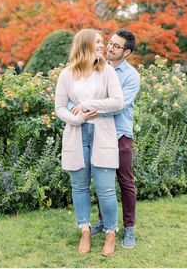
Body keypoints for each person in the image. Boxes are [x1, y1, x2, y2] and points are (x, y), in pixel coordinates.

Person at [55, 28, 124, 256]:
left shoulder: (107, 71)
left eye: (101, 42)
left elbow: (117, 102)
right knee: (80, 186)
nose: (102, 46)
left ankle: (110, 233)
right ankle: (85, 229)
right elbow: (59, 108)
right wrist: (78, 117)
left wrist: (87, 105)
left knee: (105, 189)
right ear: (84, 45)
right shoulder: (67, 74)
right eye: (97, 42)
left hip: (101, 134)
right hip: (76, 134)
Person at [70, 29, 140, 249]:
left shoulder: (131, 76)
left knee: (125, 182)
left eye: (116, 46)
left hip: (120, 135)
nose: (110, 47)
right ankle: (103, 221)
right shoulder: (97, 68)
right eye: (110, 43)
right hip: (98, 133)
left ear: (126, 52)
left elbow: (118, 106)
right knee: (102, 180)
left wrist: (88, 107)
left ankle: (129, 227)